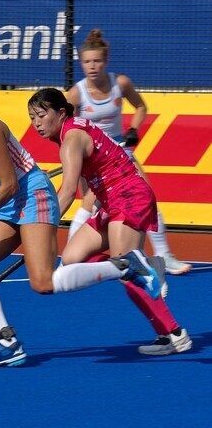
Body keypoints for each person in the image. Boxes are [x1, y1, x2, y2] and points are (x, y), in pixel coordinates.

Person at [0, 62, 182, 368]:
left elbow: (11, 183)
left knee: (43, 283)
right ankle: (6, 341)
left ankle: (125, 268)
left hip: (32, 193)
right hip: (6, 203)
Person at [28, 87, 191, 356]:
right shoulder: (70, 133)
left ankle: (173, 334)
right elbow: (84, 186)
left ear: (60, 112)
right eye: (32, 118)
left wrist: (43, 224)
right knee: (72, 258)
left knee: (128, 271)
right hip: (110, 201)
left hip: (128, 196)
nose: (36, 124)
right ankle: (142, 266)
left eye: (41, 116)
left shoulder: (70, 140)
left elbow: (68, 191)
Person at [66, 29, 191, 275]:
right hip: (92, 159)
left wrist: (133, 127)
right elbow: (68, 127)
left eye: (97, 61)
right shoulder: (76, 93)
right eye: (87, 62)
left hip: (120, 154)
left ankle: (164, 256)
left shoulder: (119, 83)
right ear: (81, 63)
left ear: (106, 61)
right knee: (90, 204)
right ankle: (71, 258)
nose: (92, 66)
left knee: (147, 197)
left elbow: (141, 106)